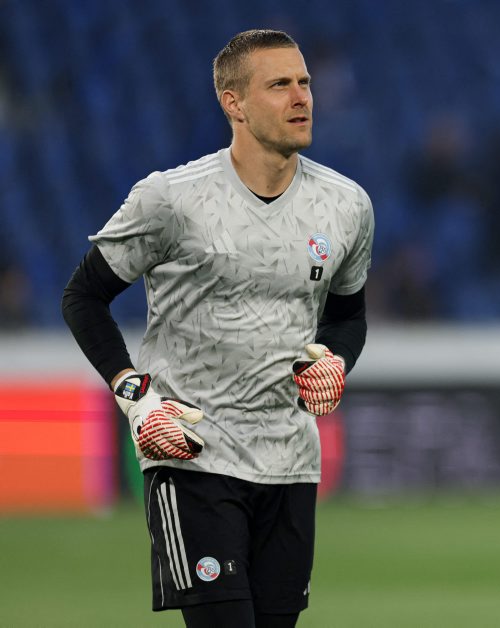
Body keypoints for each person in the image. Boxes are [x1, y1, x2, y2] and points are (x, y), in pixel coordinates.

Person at [61, 29, 373, 628]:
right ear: (235, 104)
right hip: (193, 454)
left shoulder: (347, 205)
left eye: (304, 82)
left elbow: (347, 316)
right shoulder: (171, 198)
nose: (301, 97)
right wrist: (136, 397)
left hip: (290, 458)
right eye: (279, 85)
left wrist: (336, 360)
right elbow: (83, 296)